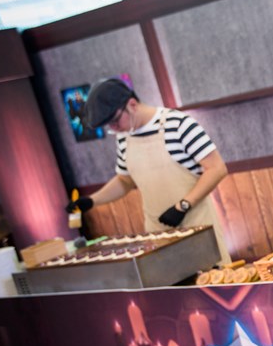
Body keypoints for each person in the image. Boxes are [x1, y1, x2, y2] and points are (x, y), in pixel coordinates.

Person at [64, 78, 231, 265]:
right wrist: (92, 200)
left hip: (199, 229)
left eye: (115, 121)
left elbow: (216, 168)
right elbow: (125, 181)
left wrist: (183, 206)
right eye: (109, 125)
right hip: (158, 235)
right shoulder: (124, 137)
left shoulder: (178, 124)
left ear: (132, 104)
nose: (114, 128)